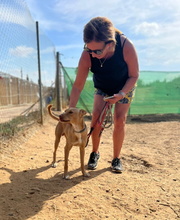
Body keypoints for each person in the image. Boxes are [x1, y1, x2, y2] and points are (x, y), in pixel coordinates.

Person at [69, 17, 139, 173]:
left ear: (110, 44)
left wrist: (121, 94)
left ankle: (116, 158)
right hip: (102, 86)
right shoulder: (87, 54)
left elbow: (134, 75)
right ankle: (95, 152)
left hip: (124, 86)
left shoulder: (126, 46)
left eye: (97, 51)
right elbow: (77, 85)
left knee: (119, 120)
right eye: (89, 49)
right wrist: (70, 110)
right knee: (96, 117)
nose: (93, 54)